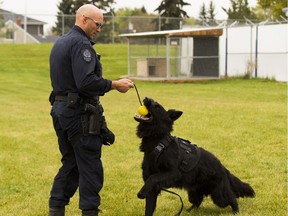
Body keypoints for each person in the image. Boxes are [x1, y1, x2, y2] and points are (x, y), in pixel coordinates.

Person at [48, 4, 134, 216]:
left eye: (102, 25)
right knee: (89, 165)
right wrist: (114, 84)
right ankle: (90, 211)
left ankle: (56, 208)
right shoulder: (81, 45)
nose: (99, 29)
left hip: (60, 110)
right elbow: (86, 82)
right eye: (97, 24)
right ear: (84, 19)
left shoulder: (60, 42)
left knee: (71, 162)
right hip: (78, 113)